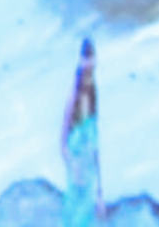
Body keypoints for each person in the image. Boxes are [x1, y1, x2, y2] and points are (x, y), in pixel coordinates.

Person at [61, 38, 106, 226]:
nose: (89, 66)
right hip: (77, 180)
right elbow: (63, 144)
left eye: (92, 60)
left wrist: (100, 193)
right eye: (86, 60)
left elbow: (96, 148)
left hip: (89, 180)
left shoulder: (93, 96)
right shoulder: (74, 97)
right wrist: (73, 167)